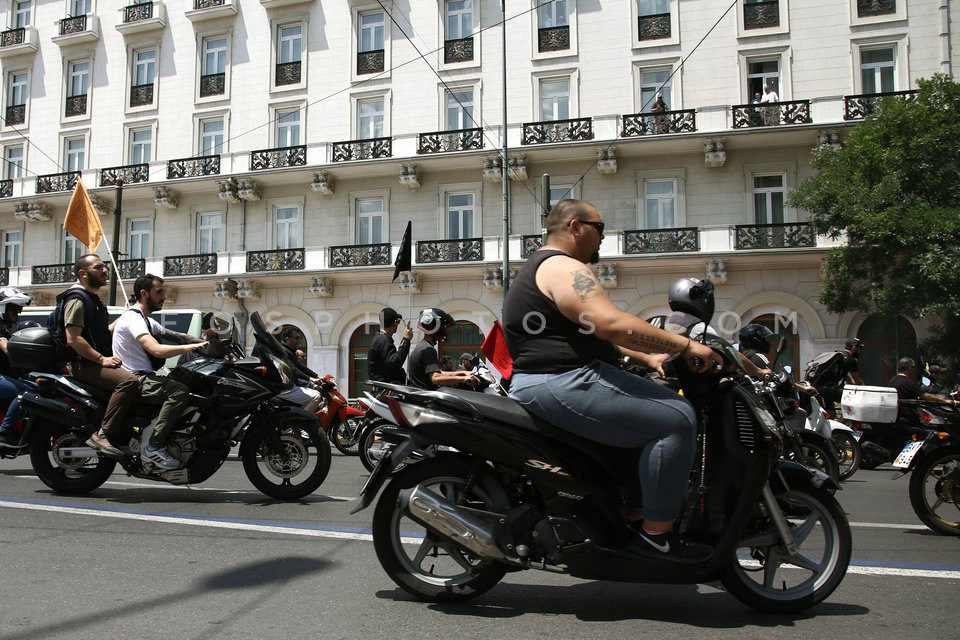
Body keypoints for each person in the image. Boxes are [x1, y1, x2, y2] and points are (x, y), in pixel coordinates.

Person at [503, 198, 722, 563]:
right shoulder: (563, 267)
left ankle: (631, 516)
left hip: (551, 379)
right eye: (599, 228)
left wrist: (647, 356)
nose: (603, 237)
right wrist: (686, 345)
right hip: (563, 379)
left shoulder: (545, 267)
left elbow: (588, 331)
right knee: (676, 418)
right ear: (575, 227)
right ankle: (656, 536)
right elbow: (610, 324)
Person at [112, 274, 207, 468]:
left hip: (144, 376)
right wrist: (190, 348)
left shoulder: (145, 320)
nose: (164, 296)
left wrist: (205, 343)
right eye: (159, 292)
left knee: (187, 377)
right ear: (144, 294)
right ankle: (153, 446)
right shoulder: (134, 319)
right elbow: (156, 349)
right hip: (136, 378)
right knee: (178, 391)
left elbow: (177, 336)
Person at [57, 254, 141, 457]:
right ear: (83, 273)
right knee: (128, 382)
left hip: (94, 362)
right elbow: (74, 338)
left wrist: (125, 317)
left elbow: (103, 332)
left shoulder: (94, 301)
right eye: (98, 268)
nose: (105, 271)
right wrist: (101, 359)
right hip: (83, 364)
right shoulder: (77, 299)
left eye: (104, 267)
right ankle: (104, 434)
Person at [407, 308, 478, 390]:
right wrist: (463, 379)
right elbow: (435, 378)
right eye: (444, 328)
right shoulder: (428, 349)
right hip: (426, 399)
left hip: (421, 395)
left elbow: (438, 373)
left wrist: (464, 373)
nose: (445, 332)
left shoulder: (422, 346)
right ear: (434, 326)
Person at [0, 287, 33, 449]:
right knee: (26, 393)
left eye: (18, 309)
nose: (17, 313)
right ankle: (4, 432)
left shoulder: (6, 329)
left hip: (7, 375)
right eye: (14, 308)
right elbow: (6, 348)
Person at [814, 338, 864, 413]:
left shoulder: (837, 355)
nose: (859, 351)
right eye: (859, 348)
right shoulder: (851, 359)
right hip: (828, 389)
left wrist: (852, 384)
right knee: (853, 400)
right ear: (854, 348)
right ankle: (845, 423)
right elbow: (858, 382)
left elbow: (848, 379)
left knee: (831, 413)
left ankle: (832, 423)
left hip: (817, 387)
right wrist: (865, 389)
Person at [367, 307, 413, 385]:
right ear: (395, 322)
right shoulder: (383, 340)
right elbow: (395, 363)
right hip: (387, 390)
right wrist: (406, 340)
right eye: (398, 322)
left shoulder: (380, 338)